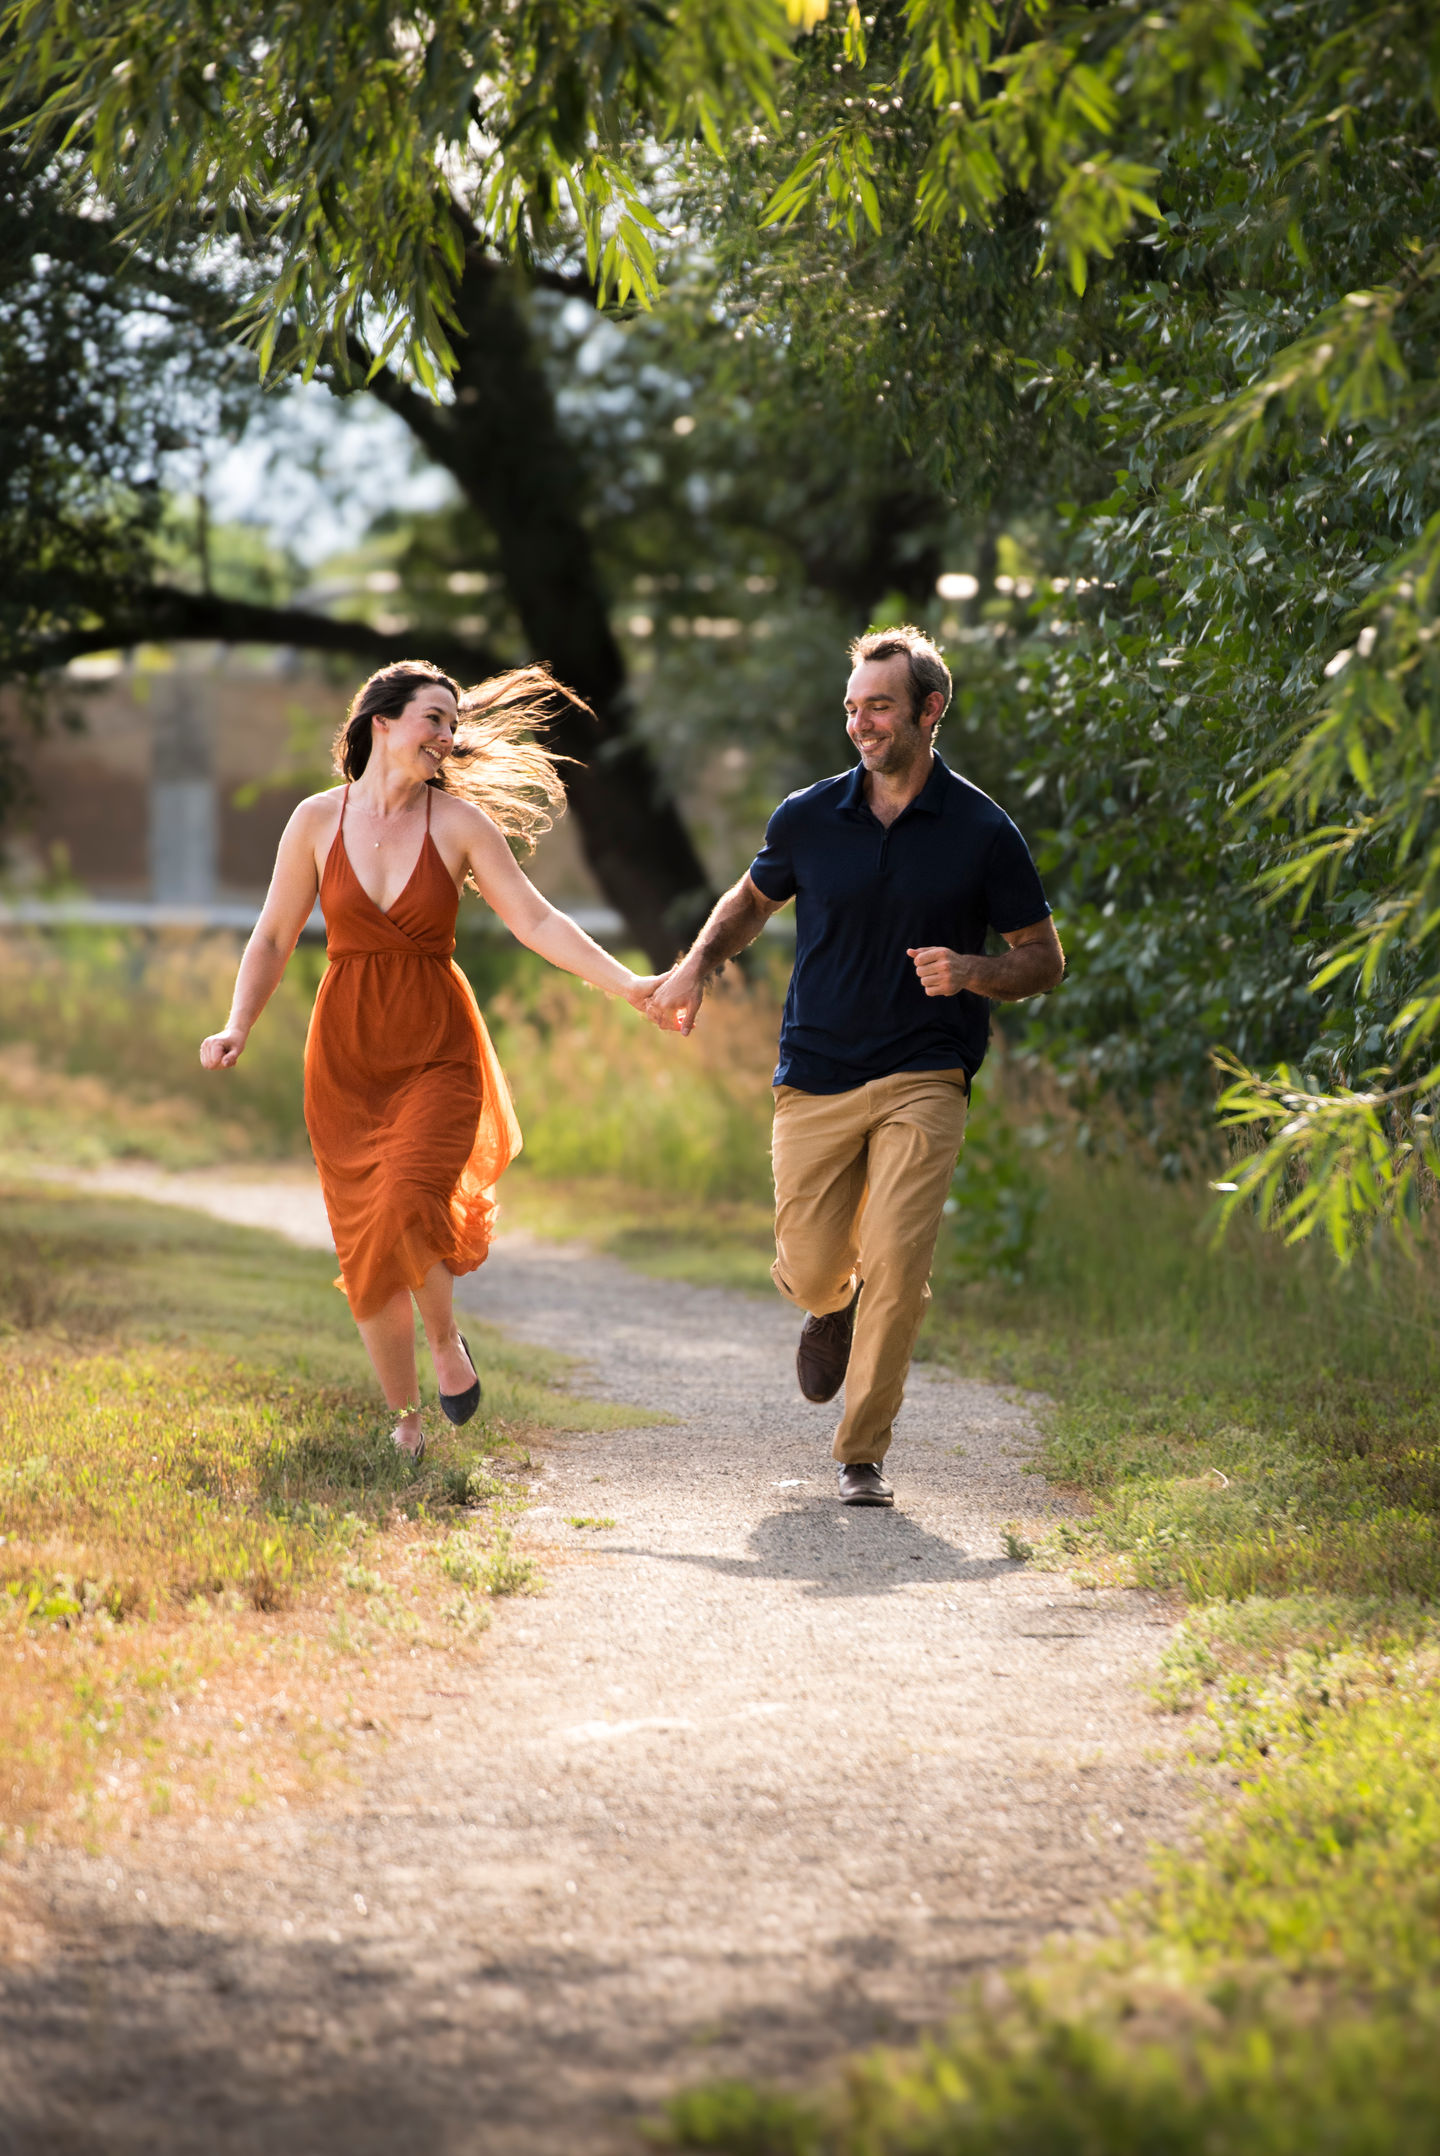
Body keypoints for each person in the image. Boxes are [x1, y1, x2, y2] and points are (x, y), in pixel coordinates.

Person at [200, 658, 663, 1463]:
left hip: (438, 1050)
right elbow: (273, 934)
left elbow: (537, 921)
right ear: (381, 721)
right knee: (366, 1237)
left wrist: (628, 985)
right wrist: (238, 1022)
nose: (448, 738)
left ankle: (445, 1342)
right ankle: (405, 1418)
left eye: (453, 724)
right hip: (346, 1054)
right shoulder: (316, 820)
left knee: (411, 1198)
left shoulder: (459, 826)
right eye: (433, 719)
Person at [647, 626, 1064, 1507]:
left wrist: (973, 971)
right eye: (852, 708)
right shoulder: (808, 816)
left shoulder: (984, 830)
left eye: (879, 705)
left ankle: (861, 1452)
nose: (862, 723)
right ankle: (827, 1305)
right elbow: (751, 901)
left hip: (927, 1069)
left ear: (929, 710)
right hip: (817, 1068)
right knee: (807, 1260)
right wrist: (694, 966)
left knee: (900, 1261)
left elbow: (1043, 958)